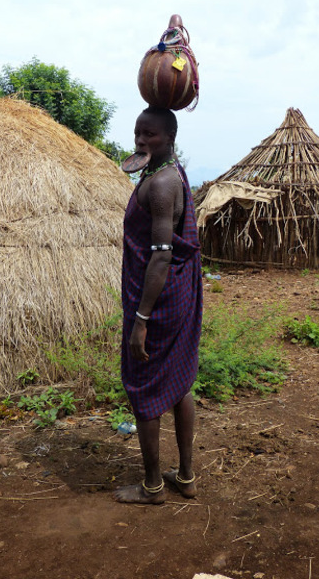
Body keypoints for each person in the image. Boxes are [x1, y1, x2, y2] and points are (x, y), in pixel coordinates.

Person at [114, 105, 203, 504]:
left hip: (158, 301)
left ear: (169, 137)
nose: (140, 140)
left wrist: (141, 319)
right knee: (179, 383)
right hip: (176, 295)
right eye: (137, 132)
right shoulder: (164, 172)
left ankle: (152, 486)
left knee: (145, 385)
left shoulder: (164, 183)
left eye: (149, 134)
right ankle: (185, 476)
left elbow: (163, 255)